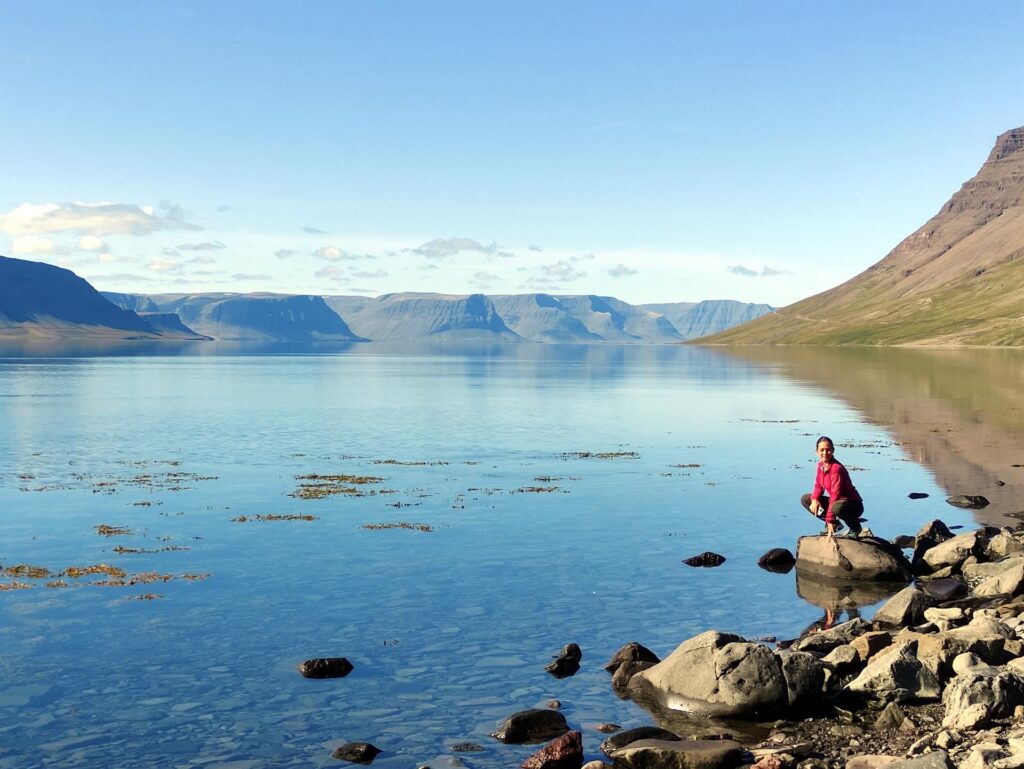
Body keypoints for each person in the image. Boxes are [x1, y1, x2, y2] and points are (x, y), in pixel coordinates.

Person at [801, 435, 864, 538]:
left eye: (828, 450)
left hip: (852, 505)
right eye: (822, 450)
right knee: (806, 499)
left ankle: (855, 528)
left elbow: (835, 495)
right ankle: (835, 524)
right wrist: (814, 499)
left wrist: (829, 519)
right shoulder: (821, 466)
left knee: (836, 507)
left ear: (833, 450)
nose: (825, 453)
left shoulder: (836, 469)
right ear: (816, 451)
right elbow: (818, 486)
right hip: (837, 503)